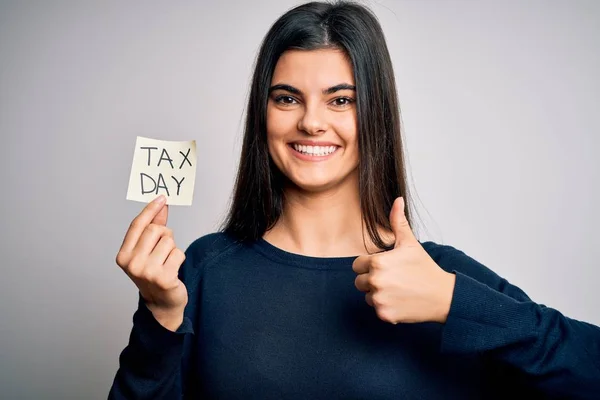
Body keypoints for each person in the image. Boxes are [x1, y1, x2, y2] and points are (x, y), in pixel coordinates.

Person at [108, 1, 600, 399]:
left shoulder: (440, 278)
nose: (311, 122)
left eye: (341, 100)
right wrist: (160, 317)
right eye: (287, 98)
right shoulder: (204, 270)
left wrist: (455, 302)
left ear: (376, 115)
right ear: (264, 114)